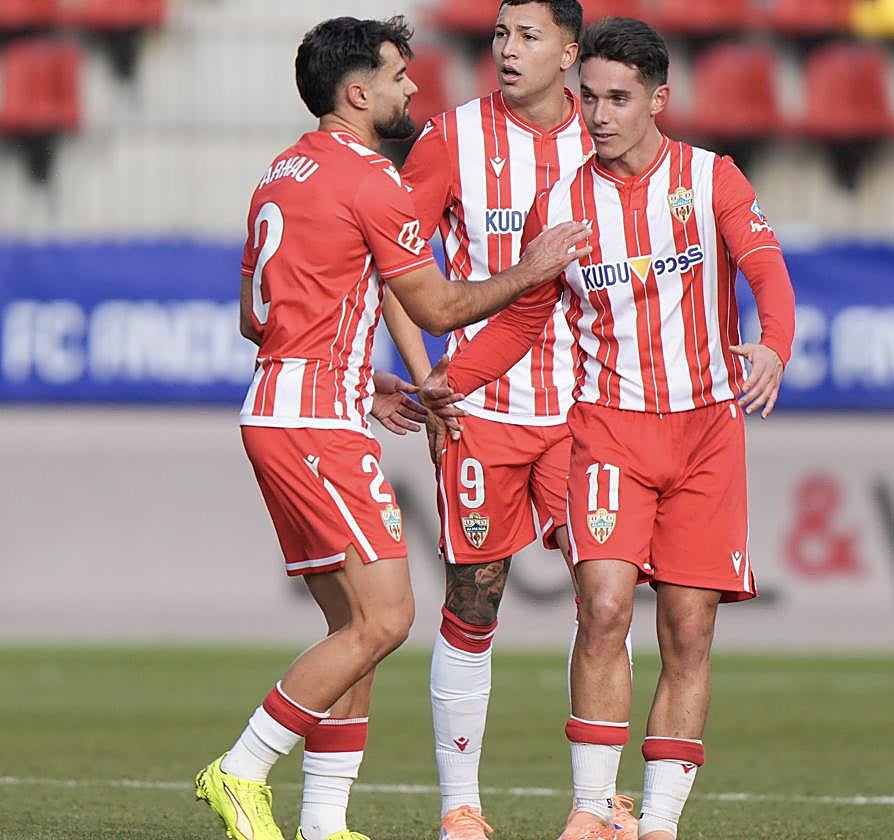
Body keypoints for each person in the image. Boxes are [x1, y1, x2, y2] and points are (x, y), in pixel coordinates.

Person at [193, 15, 591, 840]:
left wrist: (361, 375)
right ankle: (242, 767)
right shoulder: (371, 179)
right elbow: (438, 307)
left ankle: (324, 821)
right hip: (315, 425)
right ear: (357, 91)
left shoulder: (282, 171)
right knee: (386, 620)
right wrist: (532, 269)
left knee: (353, 631)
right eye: (398, 75)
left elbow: (254, 318)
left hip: (285, 404)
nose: (414, 87)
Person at [425, 17, 796, 840]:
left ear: (658, 99)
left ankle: (657, 821)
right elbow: (525, 321)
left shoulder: (710, 178)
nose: (598, 115)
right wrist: (452, 381)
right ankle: (592, 811)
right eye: (589, 97)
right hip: (608, 435)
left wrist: (773, 344)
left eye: (618, 99)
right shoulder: (561, 204)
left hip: (706, 435)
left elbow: (767, 269)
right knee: (601, 605)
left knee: (690, 629)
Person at [381, 3, 633, 838]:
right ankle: (460, 807)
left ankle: (597, 803)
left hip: (590, 411)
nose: (508, 50)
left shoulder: (605, 136)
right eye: (499, 35)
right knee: (474, 603)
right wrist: (430, 383)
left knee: (605, 599)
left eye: (528, 36)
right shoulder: (451, 138)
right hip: (482, 410)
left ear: (569, 51)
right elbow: (397, 267)